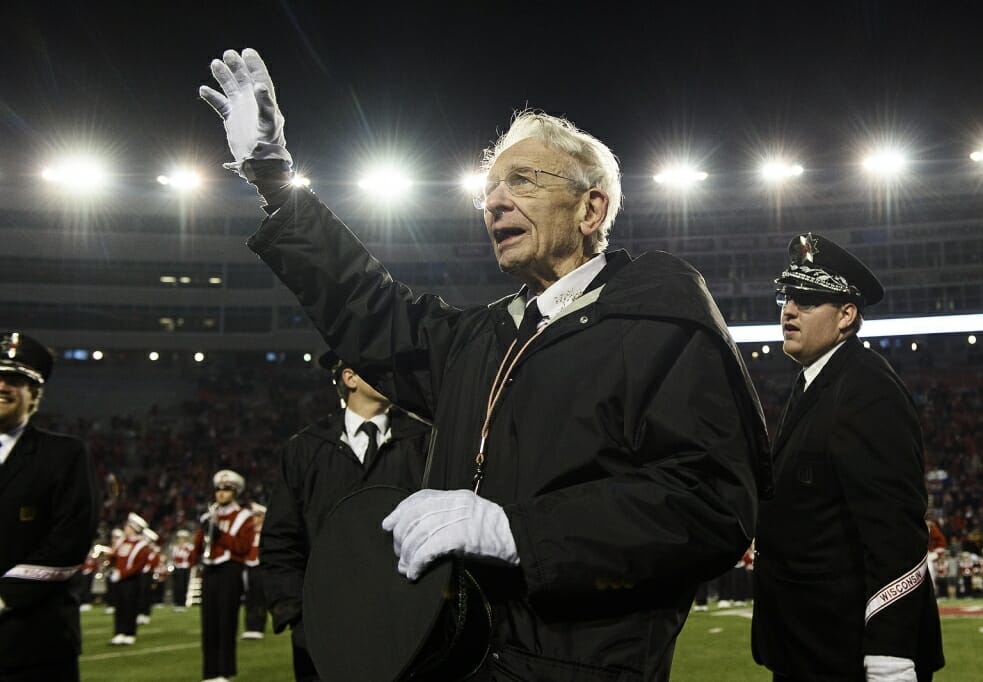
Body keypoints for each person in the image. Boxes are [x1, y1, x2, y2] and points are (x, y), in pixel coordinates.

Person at [201, 48, 770, 680]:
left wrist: (517, 532)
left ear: (591, 210)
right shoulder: (485, 335)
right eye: (490, 189)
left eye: (523, 182)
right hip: (453, 658)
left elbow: (709, 504)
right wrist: (276, 181)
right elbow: (370, 309)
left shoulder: (658, 316)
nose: (494, 203)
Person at [751, 233, 944, 681]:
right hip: (809, 646)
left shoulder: (866, 390)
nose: (789, 309)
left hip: (848, 655)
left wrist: (890, 655)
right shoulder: (814, 383)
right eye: (788, 296)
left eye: (808, 299)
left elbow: (895, 530)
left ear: (846, 315)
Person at [259, 353, 432, 681]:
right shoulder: (304, 449)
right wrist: (298, 617)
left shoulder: (425, 441)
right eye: (379, 369)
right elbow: (280, 539)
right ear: (349, 378)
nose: (390, 375)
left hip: (406, 624)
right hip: (325, 627)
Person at [0, 331, 100, 681]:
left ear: (35, 396)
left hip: (36, 641)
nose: (2, 386)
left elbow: (71, 541)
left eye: (15, 380)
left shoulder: (66, 455)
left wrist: (3, 596)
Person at [193, 469, 256, 682]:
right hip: (210, 569)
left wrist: (221, 535)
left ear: (235, 492)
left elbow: (243, 547)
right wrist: (203, 534)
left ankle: (224, 671)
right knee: (208, 621)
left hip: (230, 570)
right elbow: (198, 548)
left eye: (226, 489)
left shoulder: (244, 517)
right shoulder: (209, 516)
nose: (220, 493)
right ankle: (209, 672)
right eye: (218, 489)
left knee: (226, 621)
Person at [109, 512, 150, 645]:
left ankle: (129, 632)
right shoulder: (122, 541)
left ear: (134, 528)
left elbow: (139, 565)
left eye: (128, 526)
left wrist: (122, 574)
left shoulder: (142, 545)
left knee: (130, 606)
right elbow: (115, 557)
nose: (125, 528)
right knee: (119, 606)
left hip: (131, 580)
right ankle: (119, 632)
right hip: (120, 579)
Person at [240, 502, 267, 640]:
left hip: (260, 566)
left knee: (259, 597)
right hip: (249, 566)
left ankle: (259, 626)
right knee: (249, 597)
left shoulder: (267, 532)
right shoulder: (249, 532)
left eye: (258, 516)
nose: (254, 519)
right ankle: (250, 626)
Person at [171, 529, 195, 611]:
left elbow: (191, 558)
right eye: (179, 538)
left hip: (185, 568)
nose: (180, 540)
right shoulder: (175, 547)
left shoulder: (189, 547)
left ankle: (182, 603)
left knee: (183, 586)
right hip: (177, 568)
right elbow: (175, 559)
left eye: (182, 538)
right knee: (177, 586)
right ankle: (177, 603)